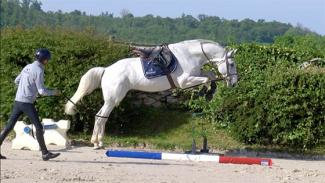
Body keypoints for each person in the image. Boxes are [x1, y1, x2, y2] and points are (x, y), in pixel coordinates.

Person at [0, 48, 61, 161]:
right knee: (38, 127)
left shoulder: (27, 66)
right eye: (47, 59)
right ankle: (45, 153)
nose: (48, 61)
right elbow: (42, 91)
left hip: (18, 101)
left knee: (9, 126)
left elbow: (16, 81)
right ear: (44, 60)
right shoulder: (38, 70)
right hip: (27, 103)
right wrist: (55, 92)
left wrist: (27, 90)